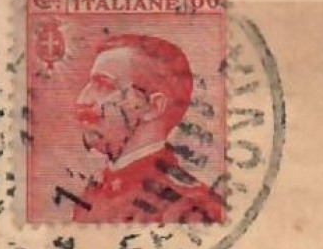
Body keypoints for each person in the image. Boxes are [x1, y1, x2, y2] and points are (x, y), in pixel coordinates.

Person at [70, 34, 226, 224]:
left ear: (153, 107)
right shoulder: (92, 193)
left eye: (104, 85)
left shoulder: (193, 206)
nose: (82, 100)